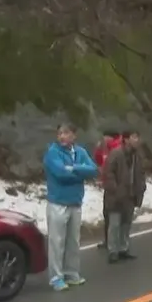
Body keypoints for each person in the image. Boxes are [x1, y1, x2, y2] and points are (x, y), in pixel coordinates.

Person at [43, 123, 99, 291]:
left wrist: (74, 168)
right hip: (58, 202)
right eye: (59, 133)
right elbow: (60, 173)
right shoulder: (53, 152)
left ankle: (71, 273)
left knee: (73, 241)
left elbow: (93, 170)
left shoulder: (80, 152)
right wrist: (79, 174)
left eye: (66, 133)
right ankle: (56, 277)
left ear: (74, 135)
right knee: (57, 242)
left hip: (75, 202)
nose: (62, 136)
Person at [102, 130, 146, 264]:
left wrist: (141, 188)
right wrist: (115, 189)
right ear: (126, 139)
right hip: (116, 196)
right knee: (114, 224)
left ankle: (123, 248)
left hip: (131, 195)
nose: (137, 140)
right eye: (134, 137)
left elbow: (141, 173)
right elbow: (108, 173)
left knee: (126, 224)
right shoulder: (116, 154)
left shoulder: (137, 156)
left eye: (138, 137)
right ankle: (113, 251)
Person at [93, 130, 122, 249]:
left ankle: (117, 241)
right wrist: (98, 149)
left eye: (106, 137)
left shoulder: (117, 149)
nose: (104, 139)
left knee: (115, 215)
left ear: (111, 138)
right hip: (108, 187)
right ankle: (108, 240)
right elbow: (100, 162)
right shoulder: (106, 149)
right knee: (107, 214)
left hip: (118, 186)